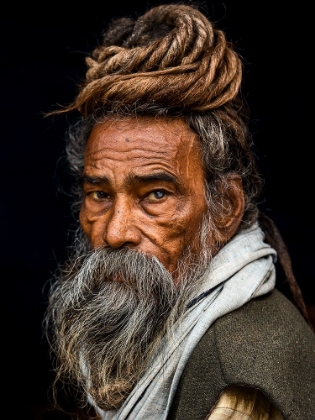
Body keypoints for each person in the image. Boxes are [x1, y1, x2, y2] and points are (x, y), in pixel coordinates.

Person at [44, 3, 315, 419]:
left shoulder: (237, 384)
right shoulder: (160, 315)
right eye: (99, 194)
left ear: (224, 207)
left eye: (155, 195)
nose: (115, 233)